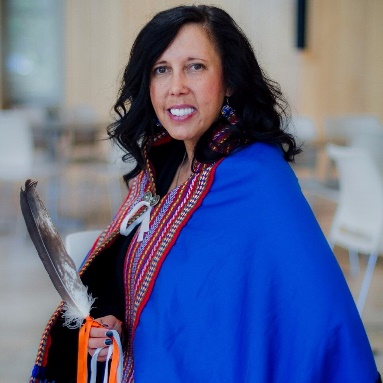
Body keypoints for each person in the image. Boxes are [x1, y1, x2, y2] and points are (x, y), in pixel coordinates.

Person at [30, 5, 380, 383]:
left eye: (195, 66)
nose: (176, 86)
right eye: (161, 70)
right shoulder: (161, 166)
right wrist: (111, 318)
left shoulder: (258, 180)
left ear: (229, 80)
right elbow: (133, 273)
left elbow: (315, 316)